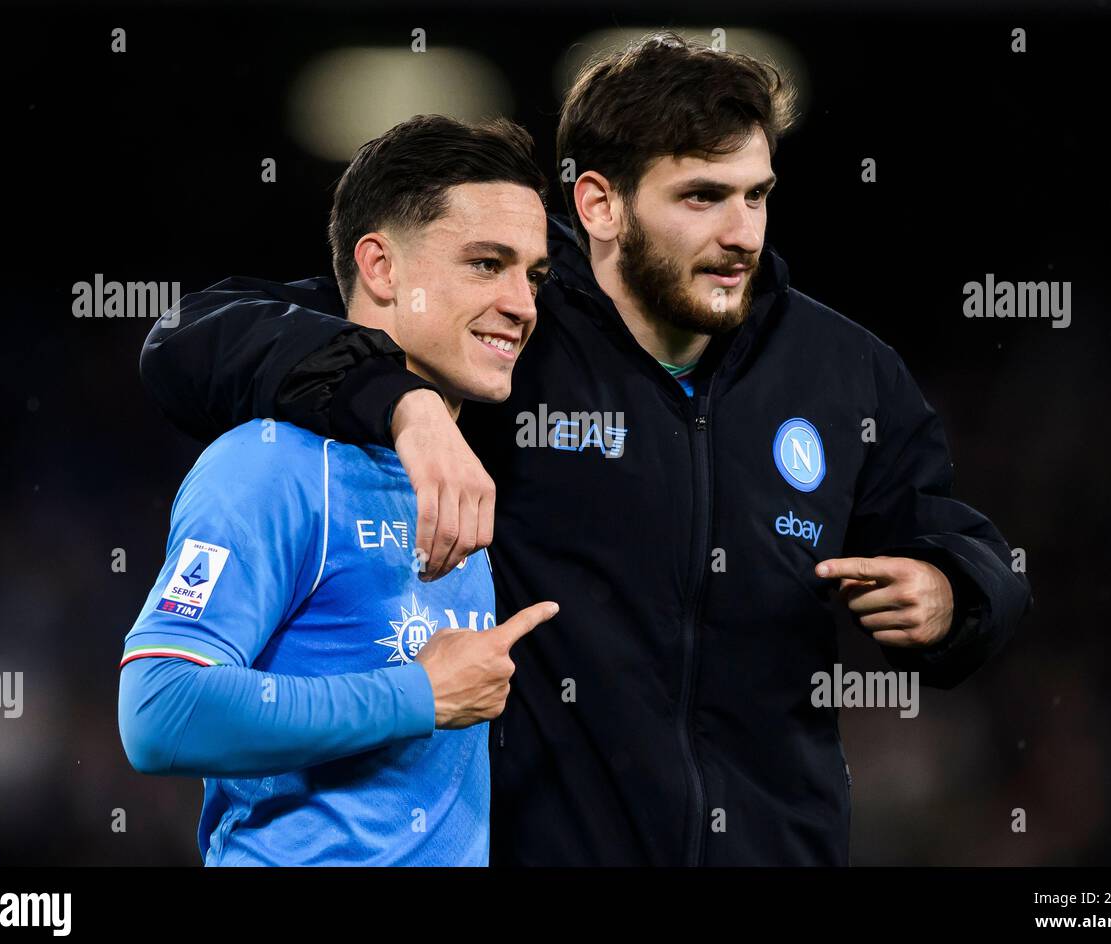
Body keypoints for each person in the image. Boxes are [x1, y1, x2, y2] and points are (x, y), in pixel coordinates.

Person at [140, 33, 1032, 865]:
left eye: (756, 195)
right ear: (600, 203)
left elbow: (960, 541)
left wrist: (953, 593)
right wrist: (405, 404)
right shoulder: (506, 335)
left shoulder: (846, 374)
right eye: (701, 197)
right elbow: (200, 333)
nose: (744, 234)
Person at [118, 114, 557, 865]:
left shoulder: (464, 471)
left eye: (534, 274)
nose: (523, 303)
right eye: (487, 264)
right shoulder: (268, 464)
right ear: (381, 269)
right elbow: (159, 711)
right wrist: (417, 697)